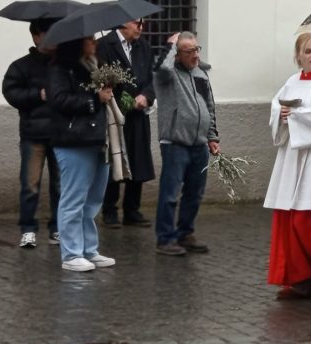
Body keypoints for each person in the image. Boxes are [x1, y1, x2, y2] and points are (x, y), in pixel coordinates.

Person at [264, 33, 311, 299]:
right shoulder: (291, 82)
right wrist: (282, 115)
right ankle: (299, 278)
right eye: (308, 51)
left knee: (309, 219)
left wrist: (297, 118)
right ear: (298, 55)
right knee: (290, 216)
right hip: (291, 157)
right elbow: (277, 107)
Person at [46, 36, 116, 272]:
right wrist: (94, 99)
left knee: (93, 199)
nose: (94, 42)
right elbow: (59, 100)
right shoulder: (60, 69)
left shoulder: (95, 66)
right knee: (73, 198)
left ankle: (88, 249)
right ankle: (71, 253)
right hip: (73, 141)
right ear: (76, 43)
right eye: (89, 39)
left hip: (99, 140)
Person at [153, 31, 220, 256]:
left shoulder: (201, 74)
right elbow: (162, 67)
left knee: (195, 193)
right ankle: (164, 238)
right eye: (189, 51)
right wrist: (171, 46)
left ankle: (185, 233)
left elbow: (209, 106)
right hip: (175, 142)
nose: (195, 56)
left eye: (197, 50)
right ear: (177, 54)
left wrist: (212, 137)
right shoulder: (167, 74)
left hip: (199, 144)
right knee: (170, 194)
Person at [2, 19, 62, 248]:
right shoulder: (21, 66)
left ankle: (57, 228)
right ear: (36, 37)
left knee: (60, 185)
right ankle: (28, 228)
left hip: (59, 133)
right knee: (30, 183)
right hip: (33, 134)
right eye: (47, 34)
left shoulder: (63, 64)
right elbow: (12, 93)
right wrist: (38, 95)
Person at [96, 18, 156, 228]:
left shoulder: (144, 46)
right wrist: (125, 100)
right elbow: (103, 80)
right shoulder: (105, 45)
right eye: (137, 23)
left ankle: (132, 209)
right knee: (116, 158)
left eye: (143, 23)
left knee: (137, 158)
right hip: (114, 113)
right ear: (122, 23)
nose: (141, 27)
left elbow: (150, 78)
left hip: (139, 113)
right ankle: (110, 210)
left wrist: (146, 96)